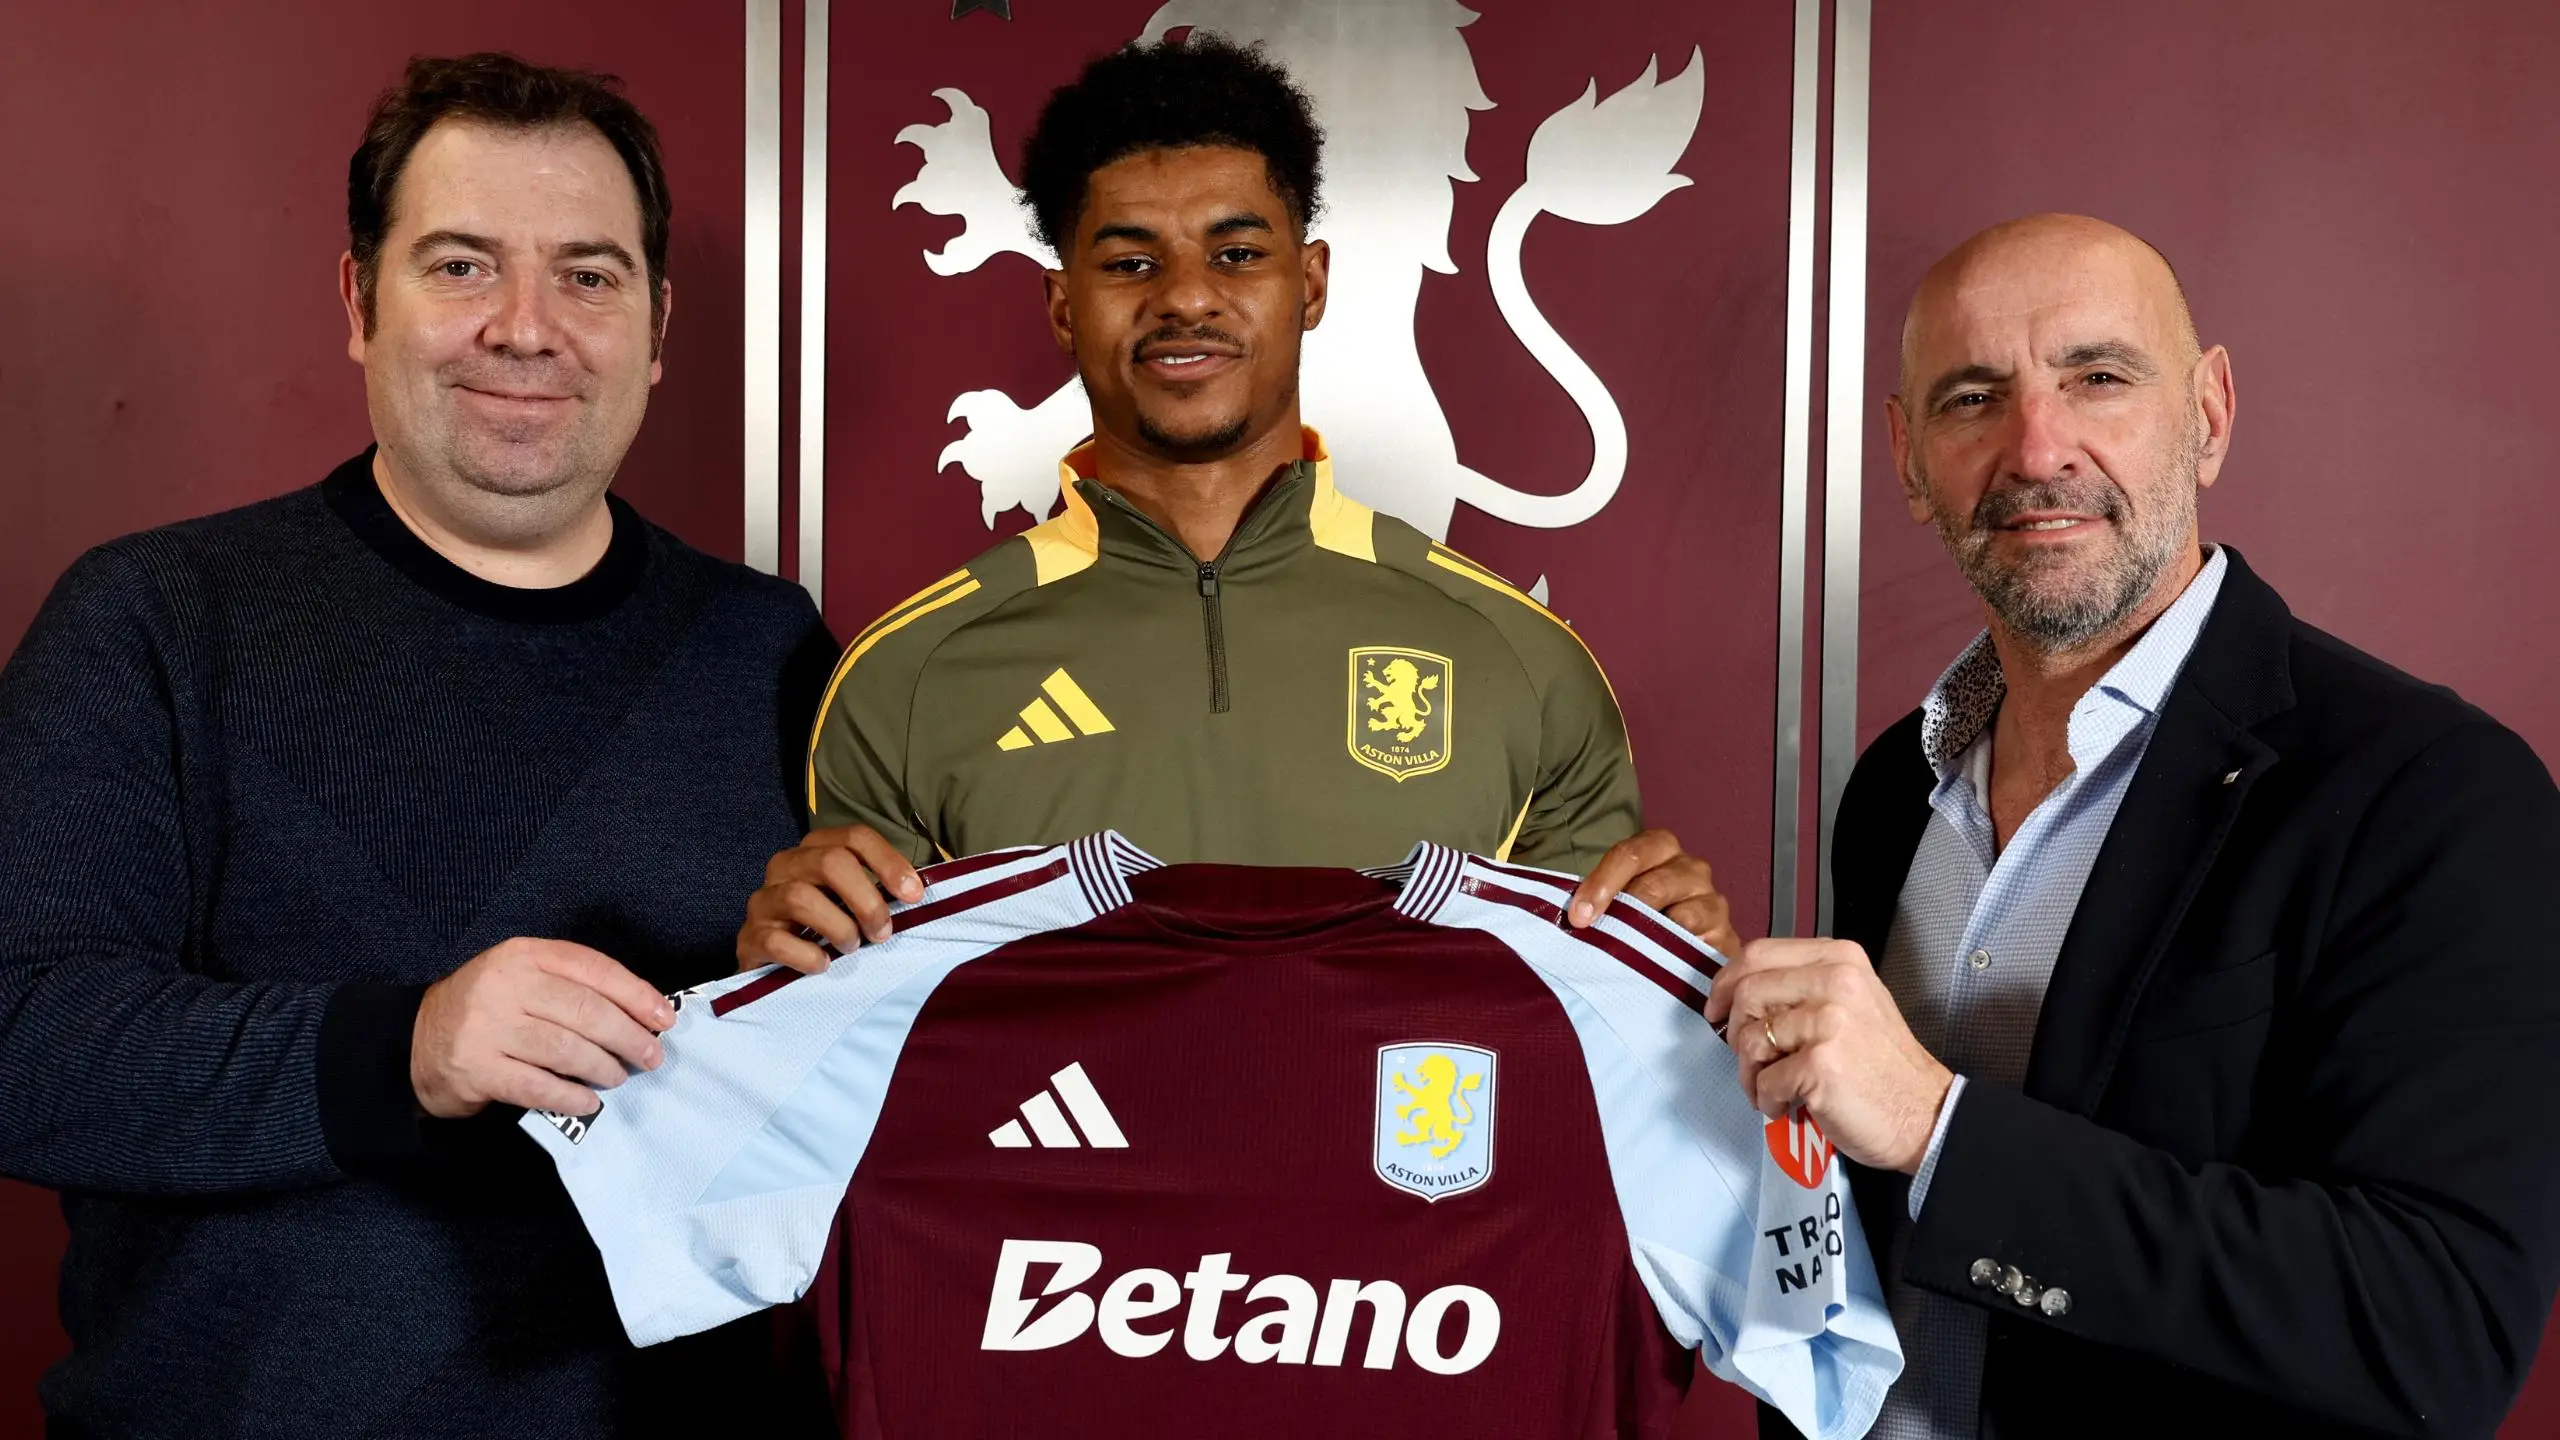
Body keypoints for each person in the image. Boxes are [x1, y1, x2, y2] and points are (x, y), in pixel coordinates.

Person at [0, 54, 834, 1437]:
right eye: (459, 266)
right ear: (357, 301)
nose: (526, 327)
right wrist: (405, 1052)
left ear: (658, 321)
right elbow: (19, 1037)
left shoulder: (775, 649)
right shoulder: (156, 618)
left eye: (588, 274)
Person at [1705, 213, 2560, 1437]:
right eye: (1970, 398)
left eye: (2097, 378)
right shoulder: (1897, 783)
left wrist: (1941, 1131)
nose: (2036, 448)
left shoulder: (2429, 792)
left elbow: (2434, 1330)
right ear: (1905, 457)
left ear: (2208, 414)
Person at [738, 35, 1735, 975]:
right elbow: (862, 1059)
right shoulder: (907, 677)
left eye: (1235, 254)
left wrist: (1674, 962)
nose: (1184, 298)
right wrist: (788, 978)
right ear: (1059, 305)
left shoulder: (1525, 661)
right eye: (1130, 262)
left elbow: (1587, 1042)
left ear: (1309, 284)